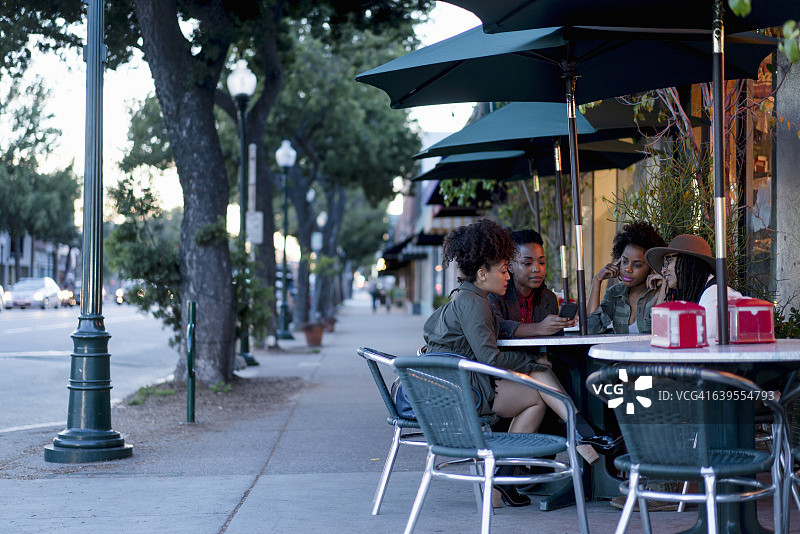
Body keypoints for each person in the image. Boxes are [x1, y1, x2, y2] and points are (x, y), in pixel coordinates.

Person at [424, 220, 593, 508]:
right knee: (538, 374)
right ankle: (581, 432)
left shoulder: (469, 298)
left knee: (537, 389)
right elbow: (490, 358)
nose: (507, 276)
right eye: (503, 270)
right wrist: (530, 360)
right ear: (481, 273)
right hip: (465, 393)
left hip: (458, 386)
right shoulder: (475, 303)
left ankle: (504, 477)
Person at [488, 229, 621, 452]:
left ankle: (579, 440)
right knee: (539, 369)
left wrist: (557, 329)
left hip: (536, 372)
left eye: (541, 262)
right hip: (500, 373)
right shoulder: (496, 294)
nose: (536, 269)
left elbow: (553, 344)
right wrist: (538, 328)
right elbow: (496, 326)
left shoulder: (547, 298)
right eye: (527, 262)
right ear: (510, 265)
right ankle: (582, 431)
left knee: (551, 370)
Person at [645, 233, 742, 342]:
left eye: (668, 261)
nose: (663, 270)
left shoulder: (714, 295)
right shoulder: (699, 291)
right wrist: (665, 283)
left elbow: (708, 349)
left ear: (688, 261)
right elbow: (660, 333)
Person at [586, 222, 667, 334]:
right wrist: (597, 281)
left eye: (637, 265)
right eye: (624, 261)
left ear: (651, 267)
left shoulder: (659, 294)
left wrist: (665, 286)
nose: (628, 269)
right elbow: (590, 329)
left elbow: (662, 331)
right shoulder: (615, 294)